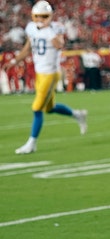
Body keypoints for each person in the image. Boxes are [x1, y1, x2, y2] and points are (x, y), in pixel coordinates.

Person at [4, 0, 87, 154]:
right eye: (38, 16)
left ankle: (32, 143)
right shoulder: (30, 28)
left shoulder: (55, 28)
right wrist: (14, 61)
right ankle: (78, 114)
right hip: (39, 73)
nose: (40, 19)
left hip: (51, 74)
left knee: (37, 108)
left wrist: (48, 31)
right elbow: (27, 48)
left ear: (50, 16)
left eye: (44, 16)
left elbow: (59, 45)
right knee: (49, 108)